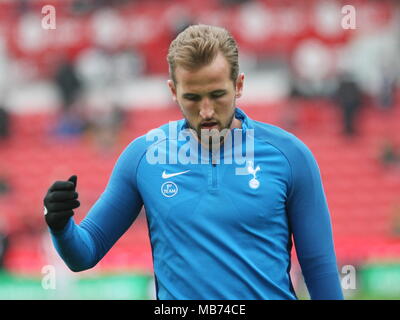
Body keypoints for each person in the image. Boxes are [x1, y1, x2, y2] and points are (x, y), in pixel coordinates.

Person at [43, 25, 343, 300]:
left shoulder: (290, 156)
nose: (207, 110)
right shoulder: (143, 157)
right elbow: (85, 252)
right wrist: (60, 225)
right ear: (173, 91)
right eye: (193, 98)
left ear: (238, 85)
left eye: (217, 95)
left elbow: (318, 269)